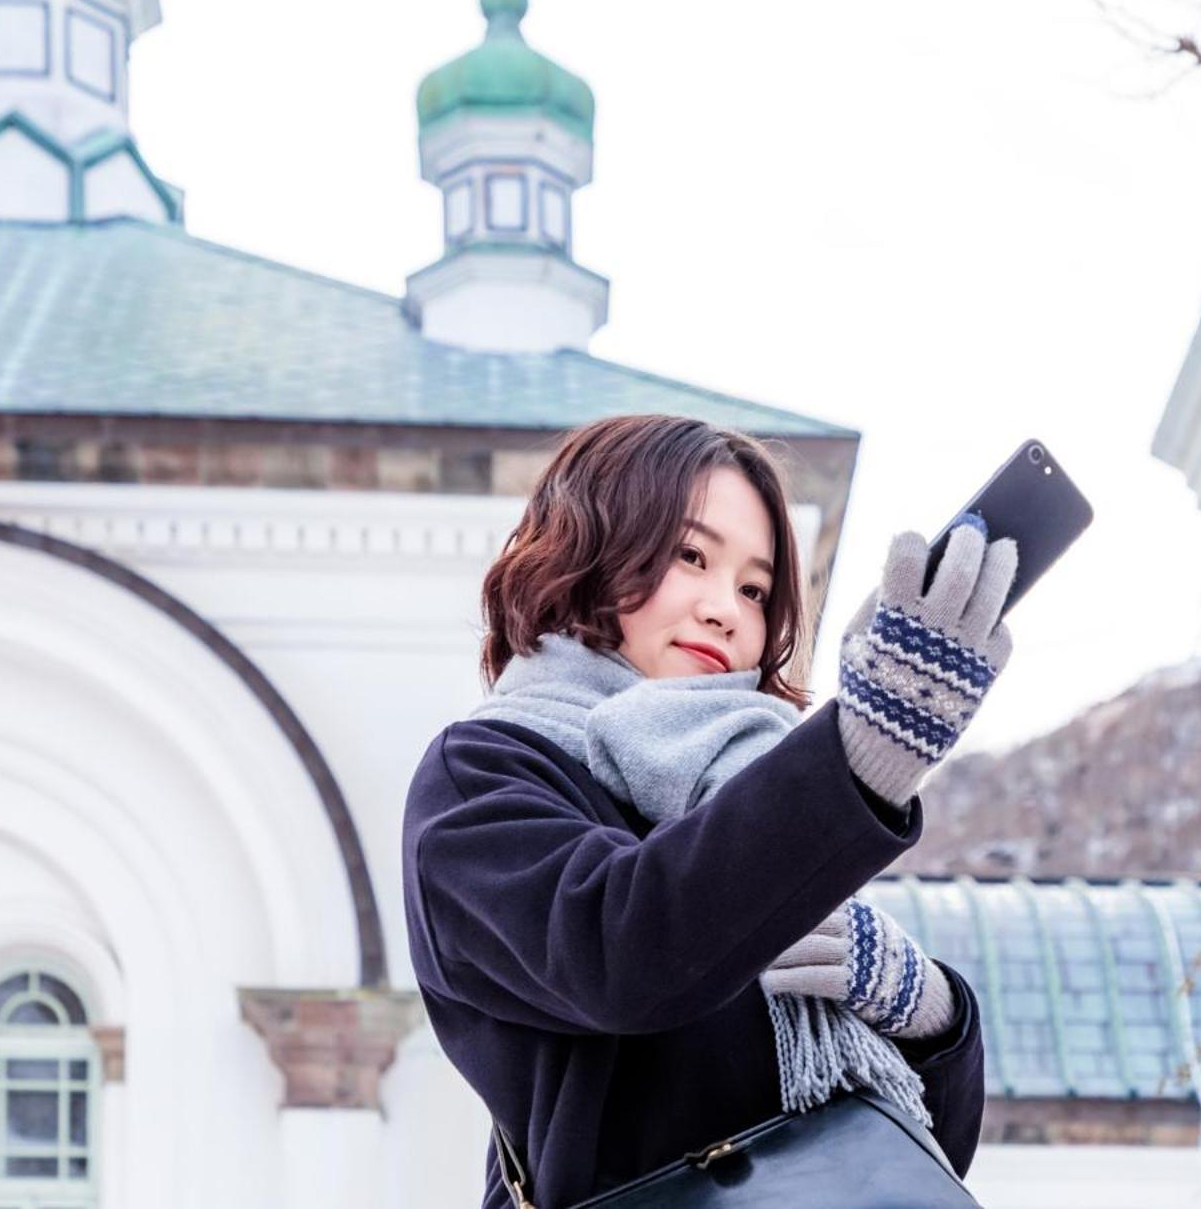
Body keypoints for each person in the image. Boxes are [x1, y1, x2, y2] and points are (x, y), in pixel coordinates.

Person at [401, 413, 1019, 1208]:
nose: (727, 609)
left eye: (755, 589)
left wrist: (924, 1007)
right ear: (586, 548)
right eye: (692, 556)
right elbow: (625, 954)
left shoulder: (747, 787)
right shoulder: (483, 778)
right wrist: (856, 760)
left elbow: (914, 1158)